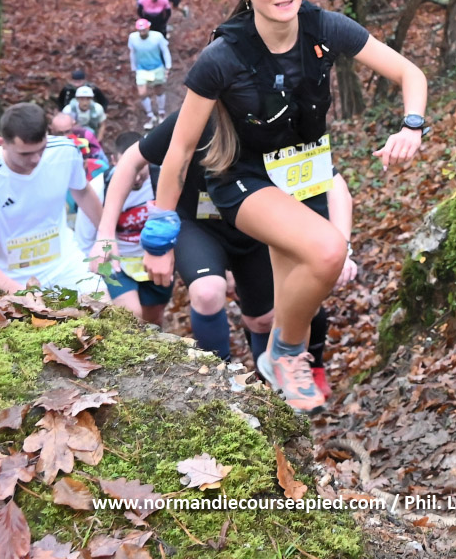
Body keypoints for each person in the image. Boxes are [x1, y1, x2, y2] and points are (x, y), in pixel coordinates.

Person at [140, 0, 427, 415]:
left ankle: (277, 384)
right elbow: (180, 151)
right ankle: (285, 353)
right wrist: (159, 237)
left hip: (304, 175)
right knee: (329, 250)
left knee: (303, 282)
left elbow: (409, 73)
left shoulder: (324, 28)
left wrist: (412, 126)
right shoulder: (223, 57)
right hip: (244, 181)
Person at [90, 112, 357, 398]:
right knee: (207, 291)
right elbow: (131, 160)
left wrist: (342, 244)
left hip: (255, 229)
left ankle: (270, 397)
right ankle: (220, 386)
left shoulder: (279, 123)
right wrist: (105, 233)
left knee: (263, 320)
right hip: (197, 225)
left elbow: (333, 183)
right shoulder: (198, 116)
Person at [0, 103, 104, 295]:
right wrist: (20, 293)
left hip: (65, 264)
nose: (36, 159)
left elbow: (83, 192)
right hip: (10, 277)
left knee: (105, 304)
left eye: (41, 149)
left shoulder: (65, 151)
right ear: (2, 143)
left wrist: (105, 235)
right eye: (25, 153)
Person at [75, 132, 172, 325]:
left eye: (141, 168)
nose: (136, 177)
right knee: (130, 315)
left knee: (153, 319)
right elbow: (84, 239)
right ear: (114, 160)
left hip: (153, 257)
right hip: (117, 262)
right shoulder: (99, 187)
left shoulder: (162, 179)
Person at [128, 18, 172, 129]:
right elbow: (132, 53)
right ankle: (150, 115)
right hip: (142, 68)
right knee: (142, 92)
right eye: (140, 30)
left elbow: (165, 51)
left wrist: (168, 66)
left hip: (157, 66)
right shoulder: (133, 38)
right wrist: (133, 67)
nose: (142, 32)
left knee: (158, 89)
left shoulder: (157, 37)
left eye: (144, 30)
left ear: (148, 28)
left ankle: (161, 112)